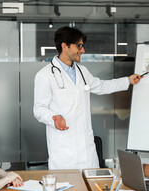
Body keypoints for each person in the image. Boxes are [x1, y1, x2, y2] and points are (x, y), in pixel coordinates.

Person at [34, 26, 142, 170]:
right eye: (79, 46)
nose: (83, 50)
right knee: (67, 189)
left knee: (91, 188)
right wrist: (54, 118)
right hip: (63, 151)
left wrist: (128, 81)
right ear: (64, 46)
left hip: (87, 149)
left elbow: (102, 86)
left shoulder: (82, 71)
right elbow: (39, 109)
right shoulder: (45, 75)